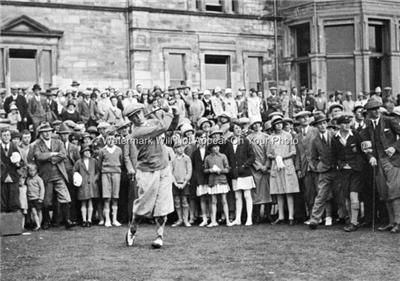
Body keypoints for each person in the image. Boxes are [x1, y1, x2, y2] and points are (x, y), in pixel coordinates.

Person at [125, 102, 175, 249]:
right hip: (147, 171)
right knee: (143, 207)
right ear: (130, 120)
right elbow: (164, 126)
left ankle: (159, 236)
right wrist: (168, 111)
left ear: (142, 111)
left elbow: (170, 127)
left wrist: (175, 113)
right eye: (132, 116)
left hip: (164, 168)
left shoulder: (152, 121)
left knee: (162, 205)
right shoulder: (137, 132)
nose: (137, 117)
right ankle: (132, 229)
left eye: (138, 113)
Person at [361, 99, 400, 233]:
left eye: (377, 108)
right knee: (384, 192)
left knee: (394, 190)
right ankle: (391, 222)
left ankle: (398, 222)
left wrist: (395, 148)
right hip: (378, 162)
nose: (376, 111)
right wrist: (370, 156)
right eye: (373, 109)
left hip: (392, 161)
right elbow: (366, 146)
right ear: (368, 112)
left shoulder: (389, 120)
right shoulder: (366, 126)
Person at [33, 123, 76, 229]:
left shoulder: (58, 142)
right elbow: (38, 156)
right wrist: (52, 154)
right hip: (46, 176)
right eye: (45, 132)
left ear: (52, 132)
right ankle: (46, 222)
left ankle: (67, 220)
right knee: (47, 201)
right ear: (41, 133)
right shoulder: (37, 144)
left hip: (59, 174)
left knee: (65, 197)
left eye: (49, 131)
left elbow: (63, 154)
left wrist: (51, 159)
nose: (47, 133)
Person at [308, 113, 345, 229]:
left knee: (341, 195)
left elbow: (343, 151)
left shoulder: (335, 135)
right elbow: (312, 157)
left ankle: (344, 217)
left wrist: (341, 164)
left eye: (324, 123)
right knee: (321, 195)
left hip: (337, 169)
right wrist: (317, 166)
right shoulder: (315, 140)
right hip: (324, 171)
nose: (322, 126)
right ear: (316, 126)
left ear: (327, 124)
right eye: (319, 124)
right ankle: (314, 220)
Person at [332, 115, 364, 232]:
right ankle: (351, 220)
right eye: (343, 123)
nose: (346, 125)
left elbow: (362, 151)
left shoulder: (355, 135)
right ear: (338, 125)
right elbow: (334, 155)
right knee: (346, 197)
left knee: (353, 195)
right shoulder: (335, 138)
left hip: (356, 170)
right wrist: (338, 165)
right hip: (343, 171)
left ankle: (354, 222)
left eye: (348, 123)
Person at [267, 115, 299, 225]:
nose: (279, 125)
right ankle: (281, 216)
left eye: (280, 123)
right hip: (276, 165)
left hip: (287, 164)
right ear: (274, 126)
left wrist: (283, 157)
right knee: (279, 191)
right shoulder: (270, 138)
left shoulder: (288, 136)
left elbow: (293, 151)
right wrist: (276, 157)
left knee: (289, 191)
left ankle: (290, 216)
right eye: (276, 124)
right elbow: (268, 153)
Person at [228, 121, 256, 226]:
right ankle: (238, 219)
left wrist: (244, 166)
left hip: (245, 172)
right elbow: (228, 156)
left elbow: (252, 157)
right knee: (237, 196)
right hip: (235, 173)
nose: (238, 130)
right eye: (236, 128)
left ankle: (249, 218)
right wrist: (231, 168)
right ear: (232, 130)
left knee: (247, 195)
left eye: (239, 128)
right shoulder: (229, 142)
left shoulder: (246, 141)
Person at [247, 120, 272, 223]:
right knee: (256, 192)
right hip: (255, 167)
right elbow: (249, 154)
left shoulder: (267, 137)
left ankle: (268, 214)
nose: (257, 126)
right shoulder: (249, 138)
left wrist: (266, 165)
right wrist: (259, 166)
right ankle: (256, 215)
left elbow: (269, 152)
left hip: (266, 167)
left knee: (268, 191)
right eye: (255, 124)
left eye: (259, 124)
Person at [204, 141, 233, 227]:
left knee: (224, 200)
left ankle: (227, 220)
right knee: (213, 201)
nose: (216, 148)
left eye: (217, 146)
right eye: (214, 147)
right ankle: (213, 221)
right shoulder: (208, 158)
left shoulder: (223, 156)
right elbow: (205, 170)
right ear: (211, 148)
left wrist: (221, 170)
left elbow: (227, 169)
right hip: (212, 181)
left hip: (222, 180)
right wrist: (210, 170)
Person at [98, 130, 123, 227]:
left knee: (115, 197)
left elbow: (121, 161)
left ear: (115, 140)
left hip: (116, 173)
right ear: (106, 140)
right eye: (109, 139)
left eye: (112, 139)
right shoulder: (102, 151)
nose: (111, 141)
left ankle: (114, 219)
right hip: (105, 174)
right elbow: (99, 164)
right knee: (107, 197)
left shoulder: (119, 150)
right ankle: (107, 219)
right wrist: (105, 170)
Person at [73, 145, 99, 227]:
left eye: (89, 151)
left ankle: (89, 220)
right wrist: (78, 179)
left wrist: (94, 179)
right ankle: (84, 220)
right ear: (82, 153)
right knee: (83, 203)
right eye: (86, 151)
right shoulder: (79, 162)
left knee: (90, 202)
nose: (88, 153)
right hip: (83, 185)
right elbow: (74, 171)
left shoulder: (94, 161)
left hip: (92, 185)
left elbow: (98, 172)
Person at [171, 140, 193, 227]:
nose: (180, 149)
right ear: (175, 149)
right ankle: (179, 219)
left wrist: (184, 182)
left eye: (181, 147)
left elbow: (189, 171)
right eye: (178, 147)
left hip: (184, 183)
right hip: (175, 183)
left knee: (184, 201)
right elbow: (170, 172)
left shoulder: (187, 158)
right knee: (176, 201)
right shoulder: (173, 159)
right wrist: (175, 183)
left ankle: (186, 219)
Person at [1, 127, 22, 213]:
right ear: (0, 137)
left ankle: (14, 222)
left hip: (13, 176)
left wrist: (18, 164)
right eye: (4, 135)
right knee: (2, 200)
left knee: (14, 201)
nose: (6, 137)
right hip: (2, 177)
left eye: (8, 135)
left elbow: (22, 162)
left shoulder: (14, 147)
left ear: (10, 137)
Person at [191, 130, 210, 227]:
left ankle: (211, 217)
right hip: (200, 179)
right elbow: (193, 167)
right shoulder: (194, 153)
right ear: (197, 139)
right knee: (202, 198)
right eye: (201, 138)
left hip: (209, 178)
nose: (203, 140)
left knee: (210, 198)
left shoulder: (210, 151)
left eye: (204, 138)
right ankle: (204, 218)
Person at [26, 163, 45, 231]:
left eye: (33, 171)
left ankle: (39, 224)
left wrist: (41, 197)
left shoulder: (38, 179)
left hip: (37, 198)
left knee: (39, 211)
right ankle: (37, 225)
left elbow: (42, 188)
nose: (31, 172)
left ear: (36, 170)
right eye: (30, 171)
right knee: (34, 212)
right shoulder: (28, 179)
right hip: (31, 198)